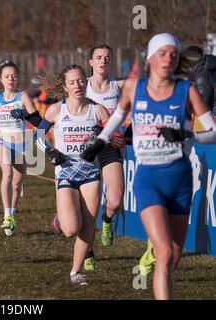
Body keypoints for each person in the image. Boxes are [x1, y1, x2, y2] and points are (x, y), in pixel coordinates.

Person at [82, 33, 216, 299]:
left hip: (180, 179)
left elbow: (212, 131)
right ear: (151, 58)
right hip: (148, 179)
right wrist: (101, 141)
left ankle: (152, 254)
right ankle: (157, 254)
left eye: (173, 54)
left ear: (177, 60)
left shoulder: (186, 90)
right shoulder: (135, 87)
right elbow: (118, 116)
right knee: (166, 252)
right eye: (162, 53)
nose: (167, 58)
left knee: (172, 256)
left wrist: (186, 135)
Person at [35, 64, 115, 285]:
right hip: (66, 173)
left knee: (89, 224)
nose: (77, 85)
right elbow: (38, 136)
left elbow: (111, 136)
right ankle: (62, 215)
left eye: (81, 80)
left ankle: (76, 272)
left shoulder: (98, 111)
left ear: (86, 82)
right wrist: (51, 152)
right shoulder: (55, 111)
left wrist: (101, 143)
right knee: (71, 229)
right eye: (72, 82)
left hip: (90, 173)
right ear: (65, 87)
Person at [0, 60, 42, 236]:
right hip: (2, 141)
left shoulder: (23, 97)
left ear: (18, 78)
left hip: (22, 144)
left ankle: (12, 215)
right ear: (1, 79)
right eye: (7, 76)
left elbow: (39, 121)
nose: (11, 79)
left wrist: (25, 115)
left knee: (16, 184)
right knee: (7, 174)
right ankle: (6, 216)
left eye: (14, 76)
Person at [82, 44, 127, 270]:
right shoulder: (83, 86)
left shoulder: (118, 86)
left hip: (110, 147)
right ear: (90, 62)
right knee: (87, 206)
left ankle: (107, 221)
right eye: (98, 57)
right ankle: (87, 250)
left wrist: (125, 134)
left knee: (115, 200)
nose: (103, 61)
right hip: (85, 148)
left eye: (107, 57)